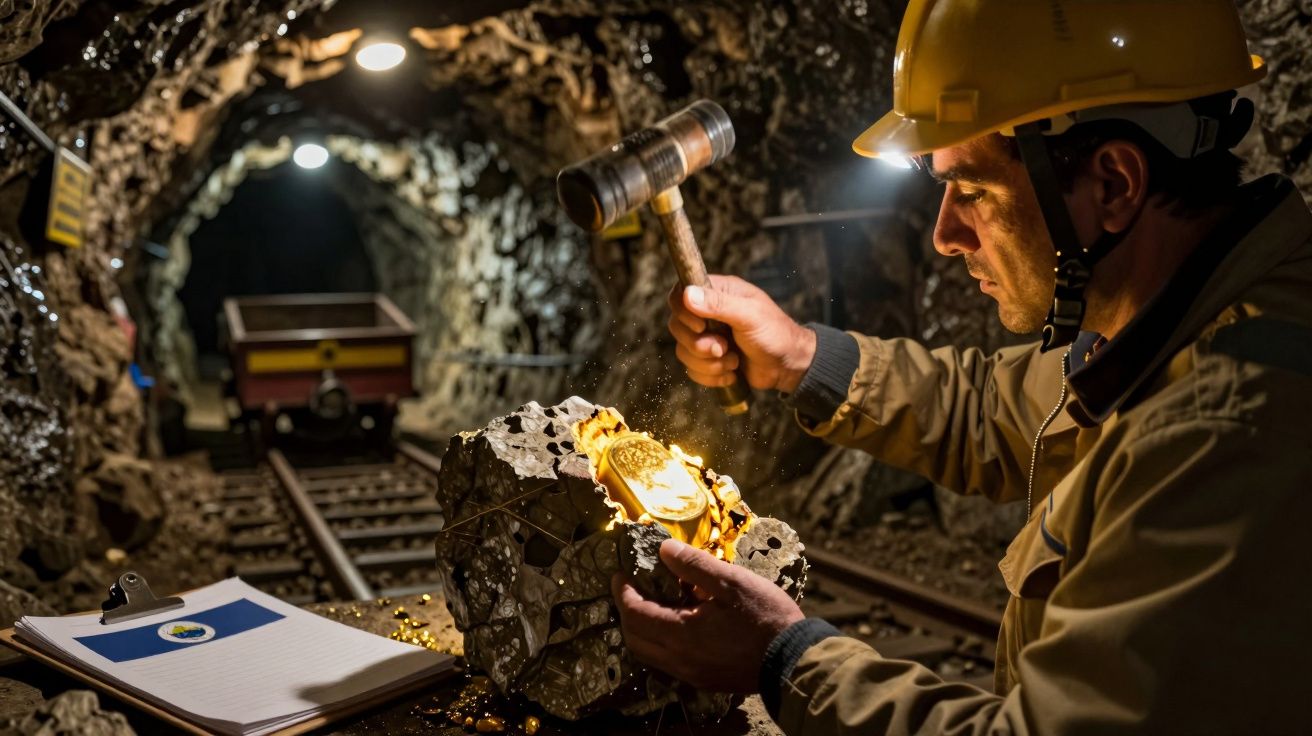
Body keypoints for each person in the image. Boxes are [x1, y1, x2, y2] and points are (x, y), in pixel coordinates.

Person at [610, 1, 1312, 733]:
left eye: (972, 190)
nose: (945, 234)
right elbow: (993, 408)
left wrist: (787, 659)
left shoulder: (1228, 433)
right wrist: (798, 355)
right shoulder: (1175, 327)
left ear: (1112, 184)